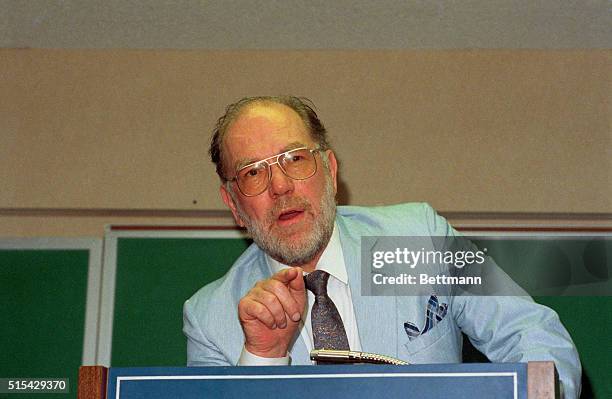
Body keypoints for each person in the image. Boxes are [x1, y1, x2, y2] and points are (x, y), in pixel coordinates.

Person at [183, 96, 581, 398]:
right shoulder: (210, 318)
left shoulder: (413, 237)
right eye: (254, 172)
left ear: (331, 172)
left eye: (296, 159)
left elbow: (530, 334)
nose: (281, 186)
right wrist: (264, 357)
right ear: (234, 205)